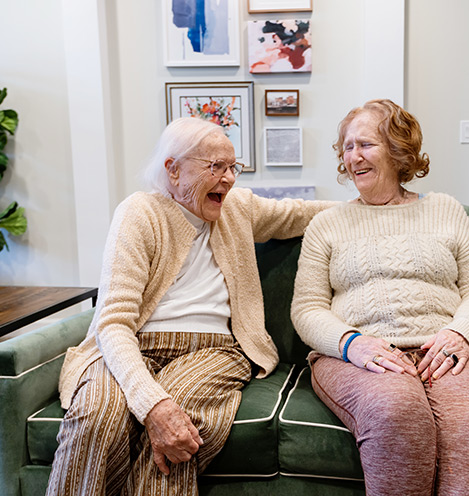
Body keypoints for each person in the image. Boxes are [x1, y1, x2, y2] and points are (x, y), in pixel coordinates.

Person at [47, 117, 331, 495]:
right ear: (173, 169)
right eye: (216, 167)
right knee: (97, 414)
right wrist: (150, 405)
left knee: (179, 427)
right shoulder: (139, 213)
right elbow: (113, 324)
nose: (229, 179)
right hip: (135, 345)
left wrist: (372, 204)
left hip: (215, 349)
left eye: (233, 167)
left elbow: (299, 213)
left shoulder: (238, 207)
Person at [291, 99, 469, 495]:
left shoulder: (446, 210)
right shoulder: (327, 224)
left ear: (398, 152)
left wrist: (461, 334)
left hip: (450, 346)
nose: (353, 156)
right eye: (347, 147)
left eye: (365, 145)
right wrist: (352, 344)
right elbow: (307, 309)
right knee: (398, 412)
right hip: (361, 356)